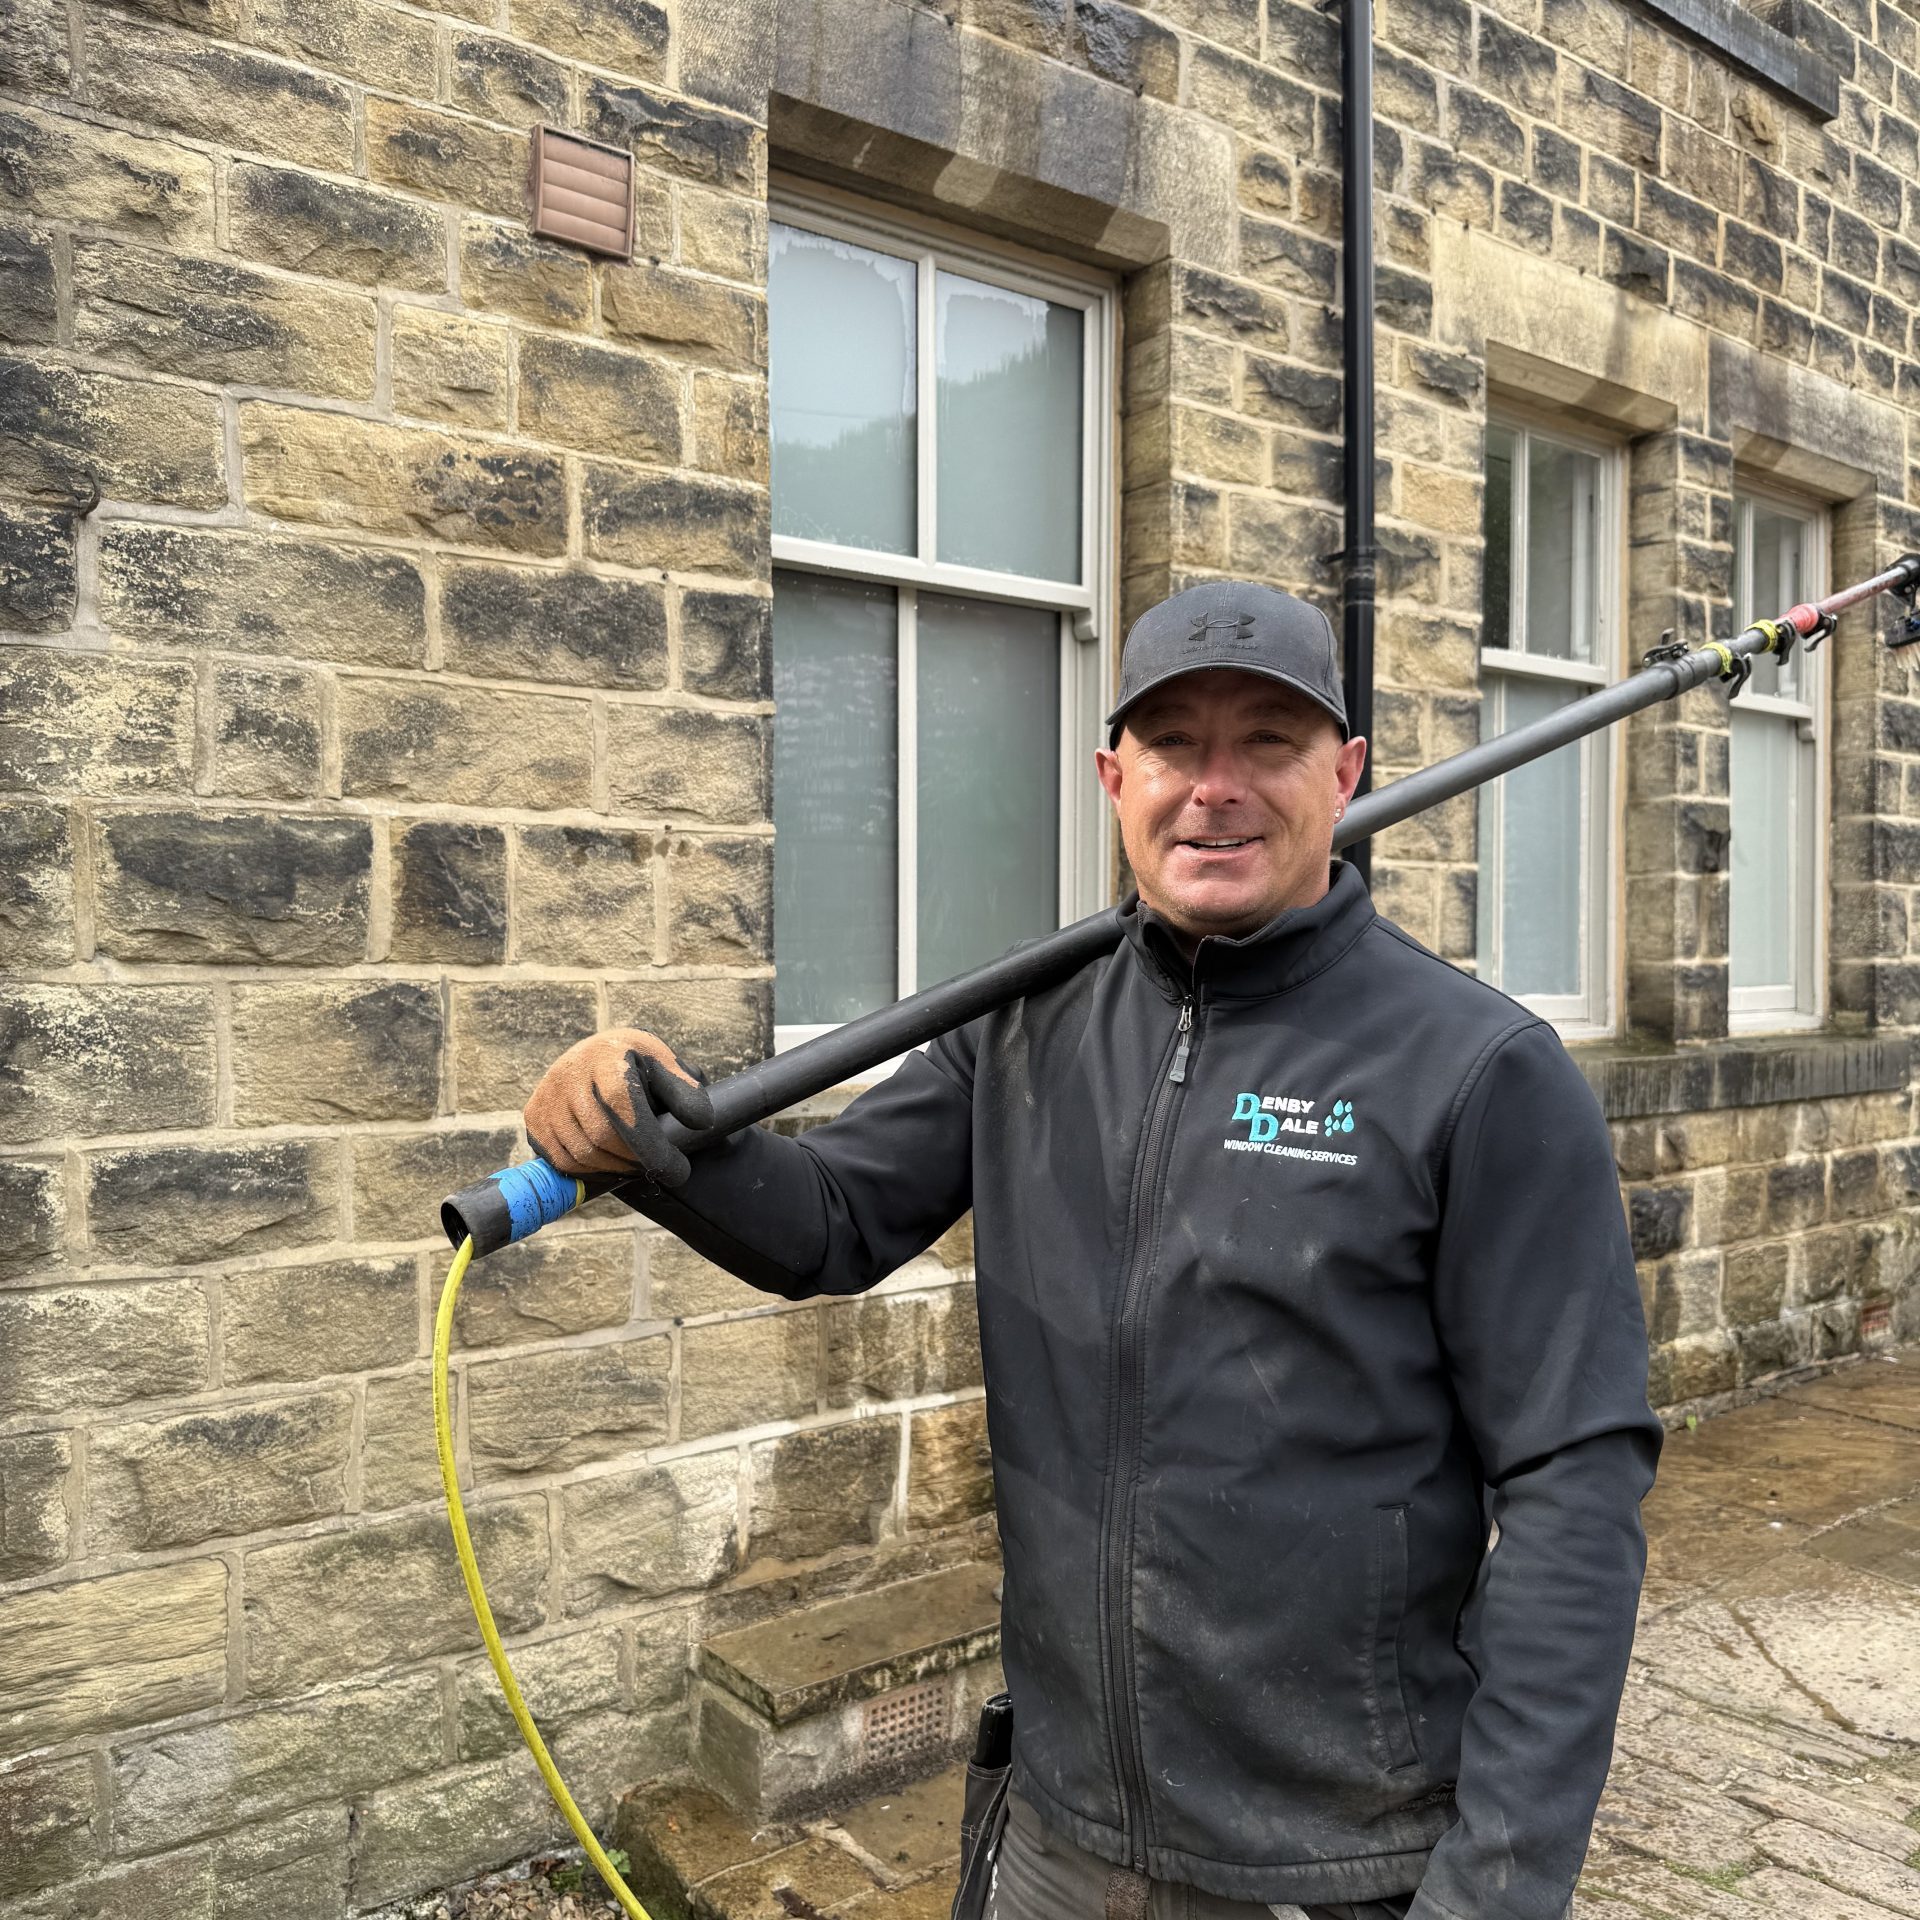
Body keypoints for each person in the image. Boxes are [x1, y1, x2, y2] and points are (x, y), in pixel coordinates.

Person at [524, 580, 1663, 1920]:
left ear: (1346, 773)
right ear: (1117, 776)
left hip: (1332, 1863)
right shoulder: (1024, 1021)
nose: (1216, 789)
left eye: (1271, 745)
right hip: (1056, 1839)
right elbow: (828, 1219)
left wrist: (1496, 1892)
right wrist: (652, 1132)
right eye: (1177, 746)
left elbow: (1574, 1493)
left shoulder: (1477, 1072)